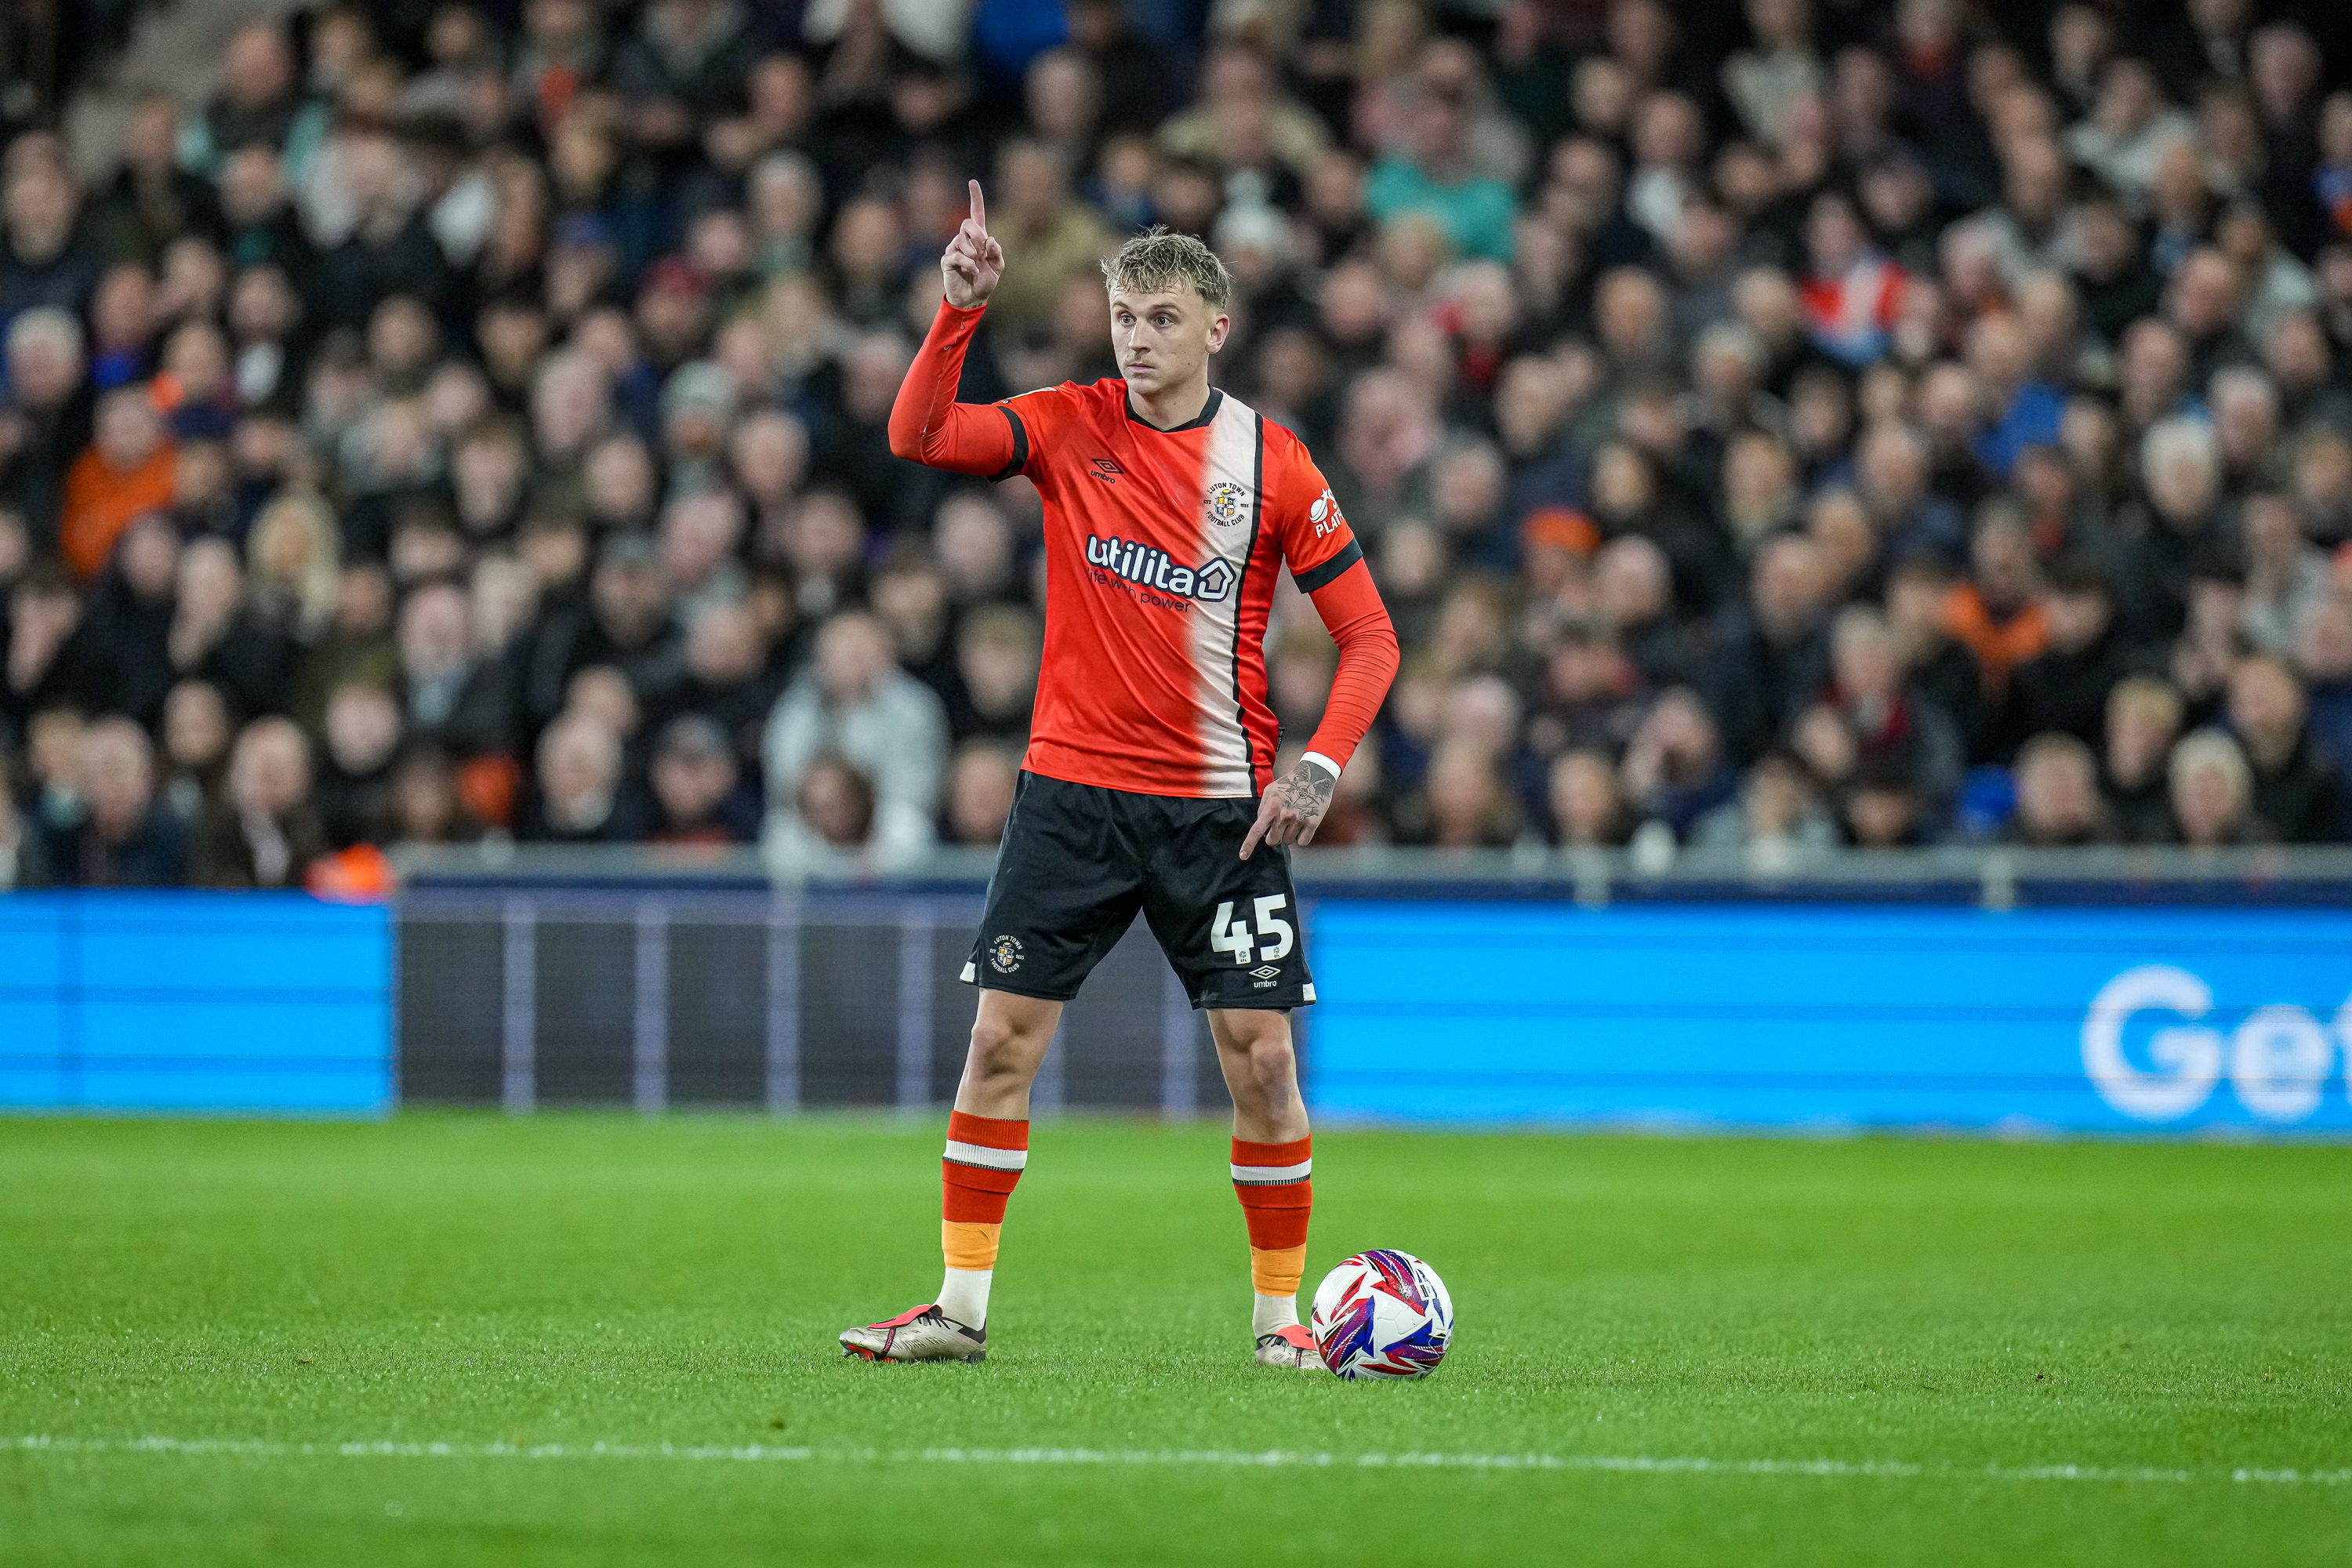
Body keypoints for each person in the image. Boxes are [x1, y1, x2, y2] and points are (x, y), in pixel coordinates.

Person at [840, 189, 1399, 1370]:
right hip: (1071, 800)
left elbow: (1372, 638)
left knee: (1262, 1064)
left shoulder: (1274, 465)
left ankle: (1280, 1321)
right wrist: (957, 317)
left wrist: (1319, 761)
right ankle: (957, 1310)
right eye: (1121, 316)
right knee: (999, 1044)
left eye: (1159, 318)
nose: (1135, 339)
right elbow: (921, 438)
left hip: (1219, 813)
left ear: (1215, 330)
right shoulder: (1065, 424)